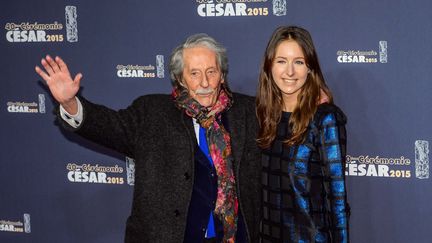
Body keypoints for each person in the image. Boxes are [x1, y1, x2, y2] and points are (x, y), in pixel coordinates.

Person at [35, 34, 261, 243]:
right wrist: (69, 103)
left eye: (211, 72)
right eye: (194, 73)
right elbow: (108, 126)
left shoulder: (246, 113)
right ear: (181, 79)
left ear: (222, 75)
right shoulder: (152, 113)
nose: (204, 83)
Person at [256, 26, 350, 242]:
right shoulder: (263, 116)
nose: (289, 72)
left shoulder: (325, 119)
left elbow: (337, 198)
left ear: (310, 68)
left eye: (298, 62)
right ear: (269, 65)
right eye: (281, 61)